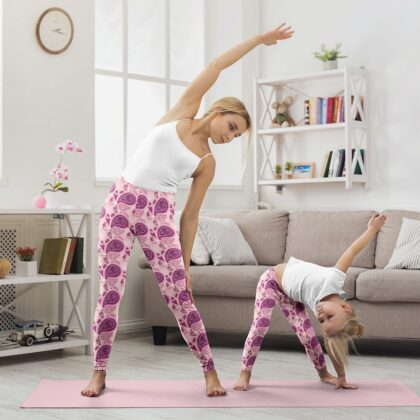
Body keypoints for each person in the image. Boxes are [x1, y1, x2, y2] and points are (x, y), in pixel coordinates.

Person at [81, 23, 294, 398]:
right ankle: (99, 371)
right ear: (217, 112)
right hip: (119, 203)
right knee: (110, 292)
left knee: (181, 296)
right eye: (230, 126)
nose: (229, 136)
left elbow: (190, 216)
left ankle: (209, 372)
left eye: (236, 135)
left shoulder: (207, 162)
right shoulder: (183, 110)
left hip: (158, 214)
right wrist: (260, 40)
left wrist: (186, 265)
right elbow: (216, 64)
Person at [234, 214, 387, 392]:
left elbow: (332, 345)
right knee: (261, 325)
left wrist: (342, 376)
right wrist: (372, 229)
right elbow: (352, 250)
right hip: (271, 281)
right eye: (329, 317)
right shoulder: (333, 280)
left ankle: (323, 373)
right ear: (344, 306)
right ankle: (245, 373)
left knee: (308, 337)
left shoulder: (325, 310)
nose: (321, 317)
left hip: (291, 297)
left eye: (323, 322)